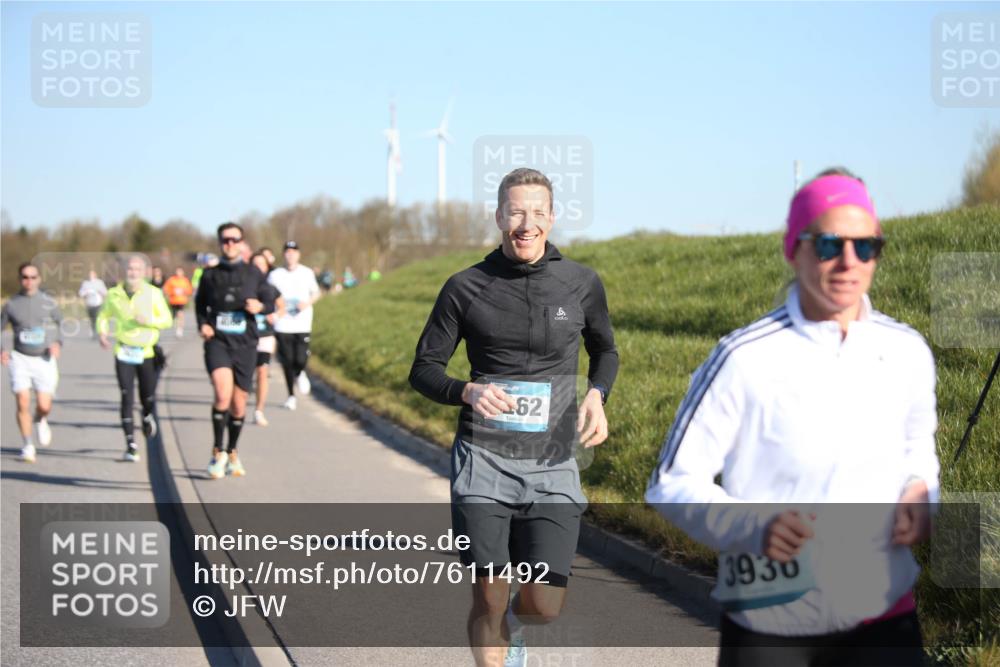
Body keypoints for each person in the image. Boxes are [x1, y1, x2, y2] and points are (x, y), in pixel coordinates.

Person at [645, 168, 938, 666]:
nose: (849, 262)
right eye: (829, 244)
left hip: (884, 616)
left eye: (866, 247)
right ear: (794, 249)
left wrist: (920, 492)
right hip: (771, 624)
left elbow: (918, 451)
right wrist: (753, 527)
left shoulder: (907, 350)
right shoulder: (742, 357)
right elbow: (671, 483)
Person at [409, 168, 619, 667]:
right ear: (499, 216)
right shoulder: (465, 287)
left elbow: (605, 350)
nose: (526, 223)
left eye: (538, 212)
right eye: (516, 212)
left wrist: (597, 395)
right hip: (483, 462)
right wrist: (467, 391)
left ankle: (518, 633)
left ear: (552, 217)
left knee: (544, 606)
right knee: (489, 597)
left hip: (553, 462)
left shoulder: (581, 283)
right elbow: (423, 369)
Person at [195, 223, 275, 479]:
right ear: (220, 243)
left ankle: (232, 451)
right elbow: (199, 305)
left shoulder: (254, 273)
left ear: (242, 243)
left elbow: (272, 300)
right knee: (222, 393)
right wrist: (203, 324)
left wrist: (260, 306)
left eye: (234, 239)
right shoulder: (210, 275)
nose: (229, 244)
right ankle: (217, 451)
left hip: (245, 344)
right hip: (218, 342)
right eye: (225, 240)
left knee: (239, 404)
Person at [97, 255, 173, 462]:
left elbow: (167, 320)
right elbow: (103, 316)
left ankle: (147, 414)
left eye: (137, 269)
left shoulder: (154, 293)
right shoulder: (114, 294)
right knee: (125, 394)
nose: (133, 273)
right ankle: (130, 443)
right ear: (124, 271)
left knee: (147, 395)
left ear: (145, 272)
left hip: (146, 351)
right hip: (123, 351)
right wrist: (102, 332)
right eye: (130, 269)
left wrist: (148, 320)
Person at [1, 262, 63, 463]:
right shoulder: (11, 304)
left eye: (33, 277)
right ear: (20, 280)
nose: (29, 281)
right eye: (25, 277)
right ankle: (27, 445)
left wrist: (57, 342)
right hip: (20, 358)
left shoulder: (48, 303)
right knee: (22, 401)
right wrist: (1, 350)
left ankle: (41, 418)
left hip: (44, 359)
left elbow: (62, 324)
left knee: (44, 405)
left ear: (39, 279)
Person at [267, 240, 321, 411]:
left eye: (294, 251)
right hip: (283, 324)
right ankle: (291, 395)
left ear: (298, 254)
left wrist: (307, 303)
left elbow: (317, 293)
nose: (290, 254)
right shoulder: (275, 275)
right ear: (284, 254)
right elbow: (267, 294)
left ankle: (300, 372)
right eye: (287, 251)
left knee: (300, 358)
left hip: (302, 322)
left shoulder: (306, 273)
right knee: (287, 360)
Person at [249, 251, 284, 426]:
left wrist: (275, 316)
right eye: (254, 264)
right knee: (245, 374)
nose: (258, 267)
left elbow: (281, 307)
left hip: (265, 336)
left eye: (261, 264)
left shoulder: (270, 289)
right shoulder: (243, 288)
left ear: (266, 268)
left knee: (262, 371)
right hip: (245, 338)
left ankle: (259, 411)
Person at [163, 267, 194, 337]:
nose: (178, 273)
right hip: (173, 301)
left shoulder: (185, 280)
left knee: (180, 315)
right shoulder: (171, 280)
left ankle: (179, 329)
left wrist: (183, 291)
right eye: (177, 272)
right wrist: (173, 292)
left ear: (182, 272)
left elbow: (189, 290)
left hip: (181, 301)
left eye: (180, 272)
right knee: (173, 316)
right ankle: (174, 325)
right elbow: (166, 289)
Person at [78, 269, 108, 339]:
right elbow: (80, 293)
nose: (90, 276)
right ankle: (93, 331)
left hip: (98, 303)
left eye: (91, 274)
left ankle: (99, 332)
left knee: (98, 318)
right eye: (89, 274)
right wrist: (86, 293)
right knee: (92, 319)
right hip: (89, 304)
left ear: (95, 275)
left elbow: (105, 292)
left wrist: (100, 292)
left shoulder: (99, 282)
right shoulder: (85, 283)